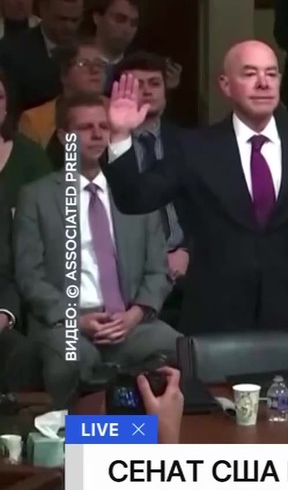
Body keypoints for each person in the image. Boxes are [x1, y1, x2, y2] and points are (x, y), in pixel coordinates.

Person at [101, 41, 288, 357]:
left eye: (271, 73)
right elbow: (135, 199)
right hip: (215, 316)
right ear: (225, 85)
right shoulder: (193, 146)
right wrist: (120, 136)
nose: (263, 83)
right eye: (250, 74)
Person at [14, 93, 179, 408]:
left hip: (129, 322)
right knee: (73, 358)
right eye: (85, 127)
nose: (97, 134)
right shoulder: (35, 197)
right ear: (64, 137)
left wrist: (134, 315)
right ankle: (73, 436)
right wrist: (76, 319)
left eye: (104, 127)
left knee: (178, 347)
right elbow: (29, 276)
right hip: (67, 323)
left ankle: (152, 433)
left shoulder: (133, 192)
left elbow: (158, 270)